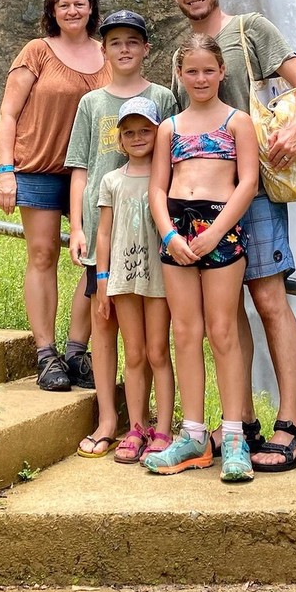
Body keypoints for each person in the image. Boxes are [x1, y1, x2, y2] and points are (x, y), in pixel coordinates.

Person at [166, 0, 296, 472]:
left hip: (251, 194)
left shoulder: (250, 28)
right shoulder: (181, 55)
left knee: (270, 298)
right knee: (225, 316)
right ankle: (242, 424)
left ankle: (292, 425)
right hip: (198, 206)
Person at [145, 34, 259, 483]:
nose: (200, 78)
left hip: (220, 227)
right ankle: (193, 435)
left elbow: (247, 183)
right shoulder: (169, 127)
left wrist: (215, 233)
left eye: (208, 70)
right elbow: (157, 186)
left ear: (222, 72)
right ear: (179, 75)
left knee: (223, 330)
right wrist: (169, 233)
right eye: (191, 71)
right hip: (176, 230)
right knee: (185, 331)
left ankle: (233, 436)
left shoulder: (238, 122)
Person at [65, 10, 176, 456]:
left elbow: (177, 156)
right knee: (105, 324)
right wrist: (76, 227)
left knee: (151, 341)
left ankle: (148, 422)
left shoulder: (164, 99)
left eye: (133, 40)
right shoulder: (91, 103)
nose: (124, 48)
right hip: (102, 232)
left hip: (153, 238)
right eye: (115, 42)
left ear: (146, 47)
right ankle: (110, 418)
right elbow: (79, 169)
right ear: (104, 49)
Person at [0, 0, 110, 392]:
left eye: (79, 3)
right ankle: (47, 355)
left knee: (97, 258)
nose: (73, 10)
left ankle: (77, 350)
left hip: (95, 173)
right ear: (53, 11)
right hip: (39, 167)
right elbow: (8, 113)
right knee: (43, 255)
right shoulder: (37, 52)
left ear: (92, 8)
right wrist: (5, 170)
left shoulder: (109, 53)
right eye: (64, 4)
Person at [94, 97, 175, 464]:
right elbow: (104, 234)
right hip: (123, 278)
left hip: (160, 276)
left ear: (159, 133)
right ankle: (136, 426)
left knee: (158, 351)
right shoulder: (111, 181)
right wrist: (101, 281)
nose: (138, 137)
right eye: (130, 133)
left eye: (146, 130)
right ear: (120, 141)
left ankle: (164, 429)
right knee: (135, 353)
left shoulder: (169, 176)